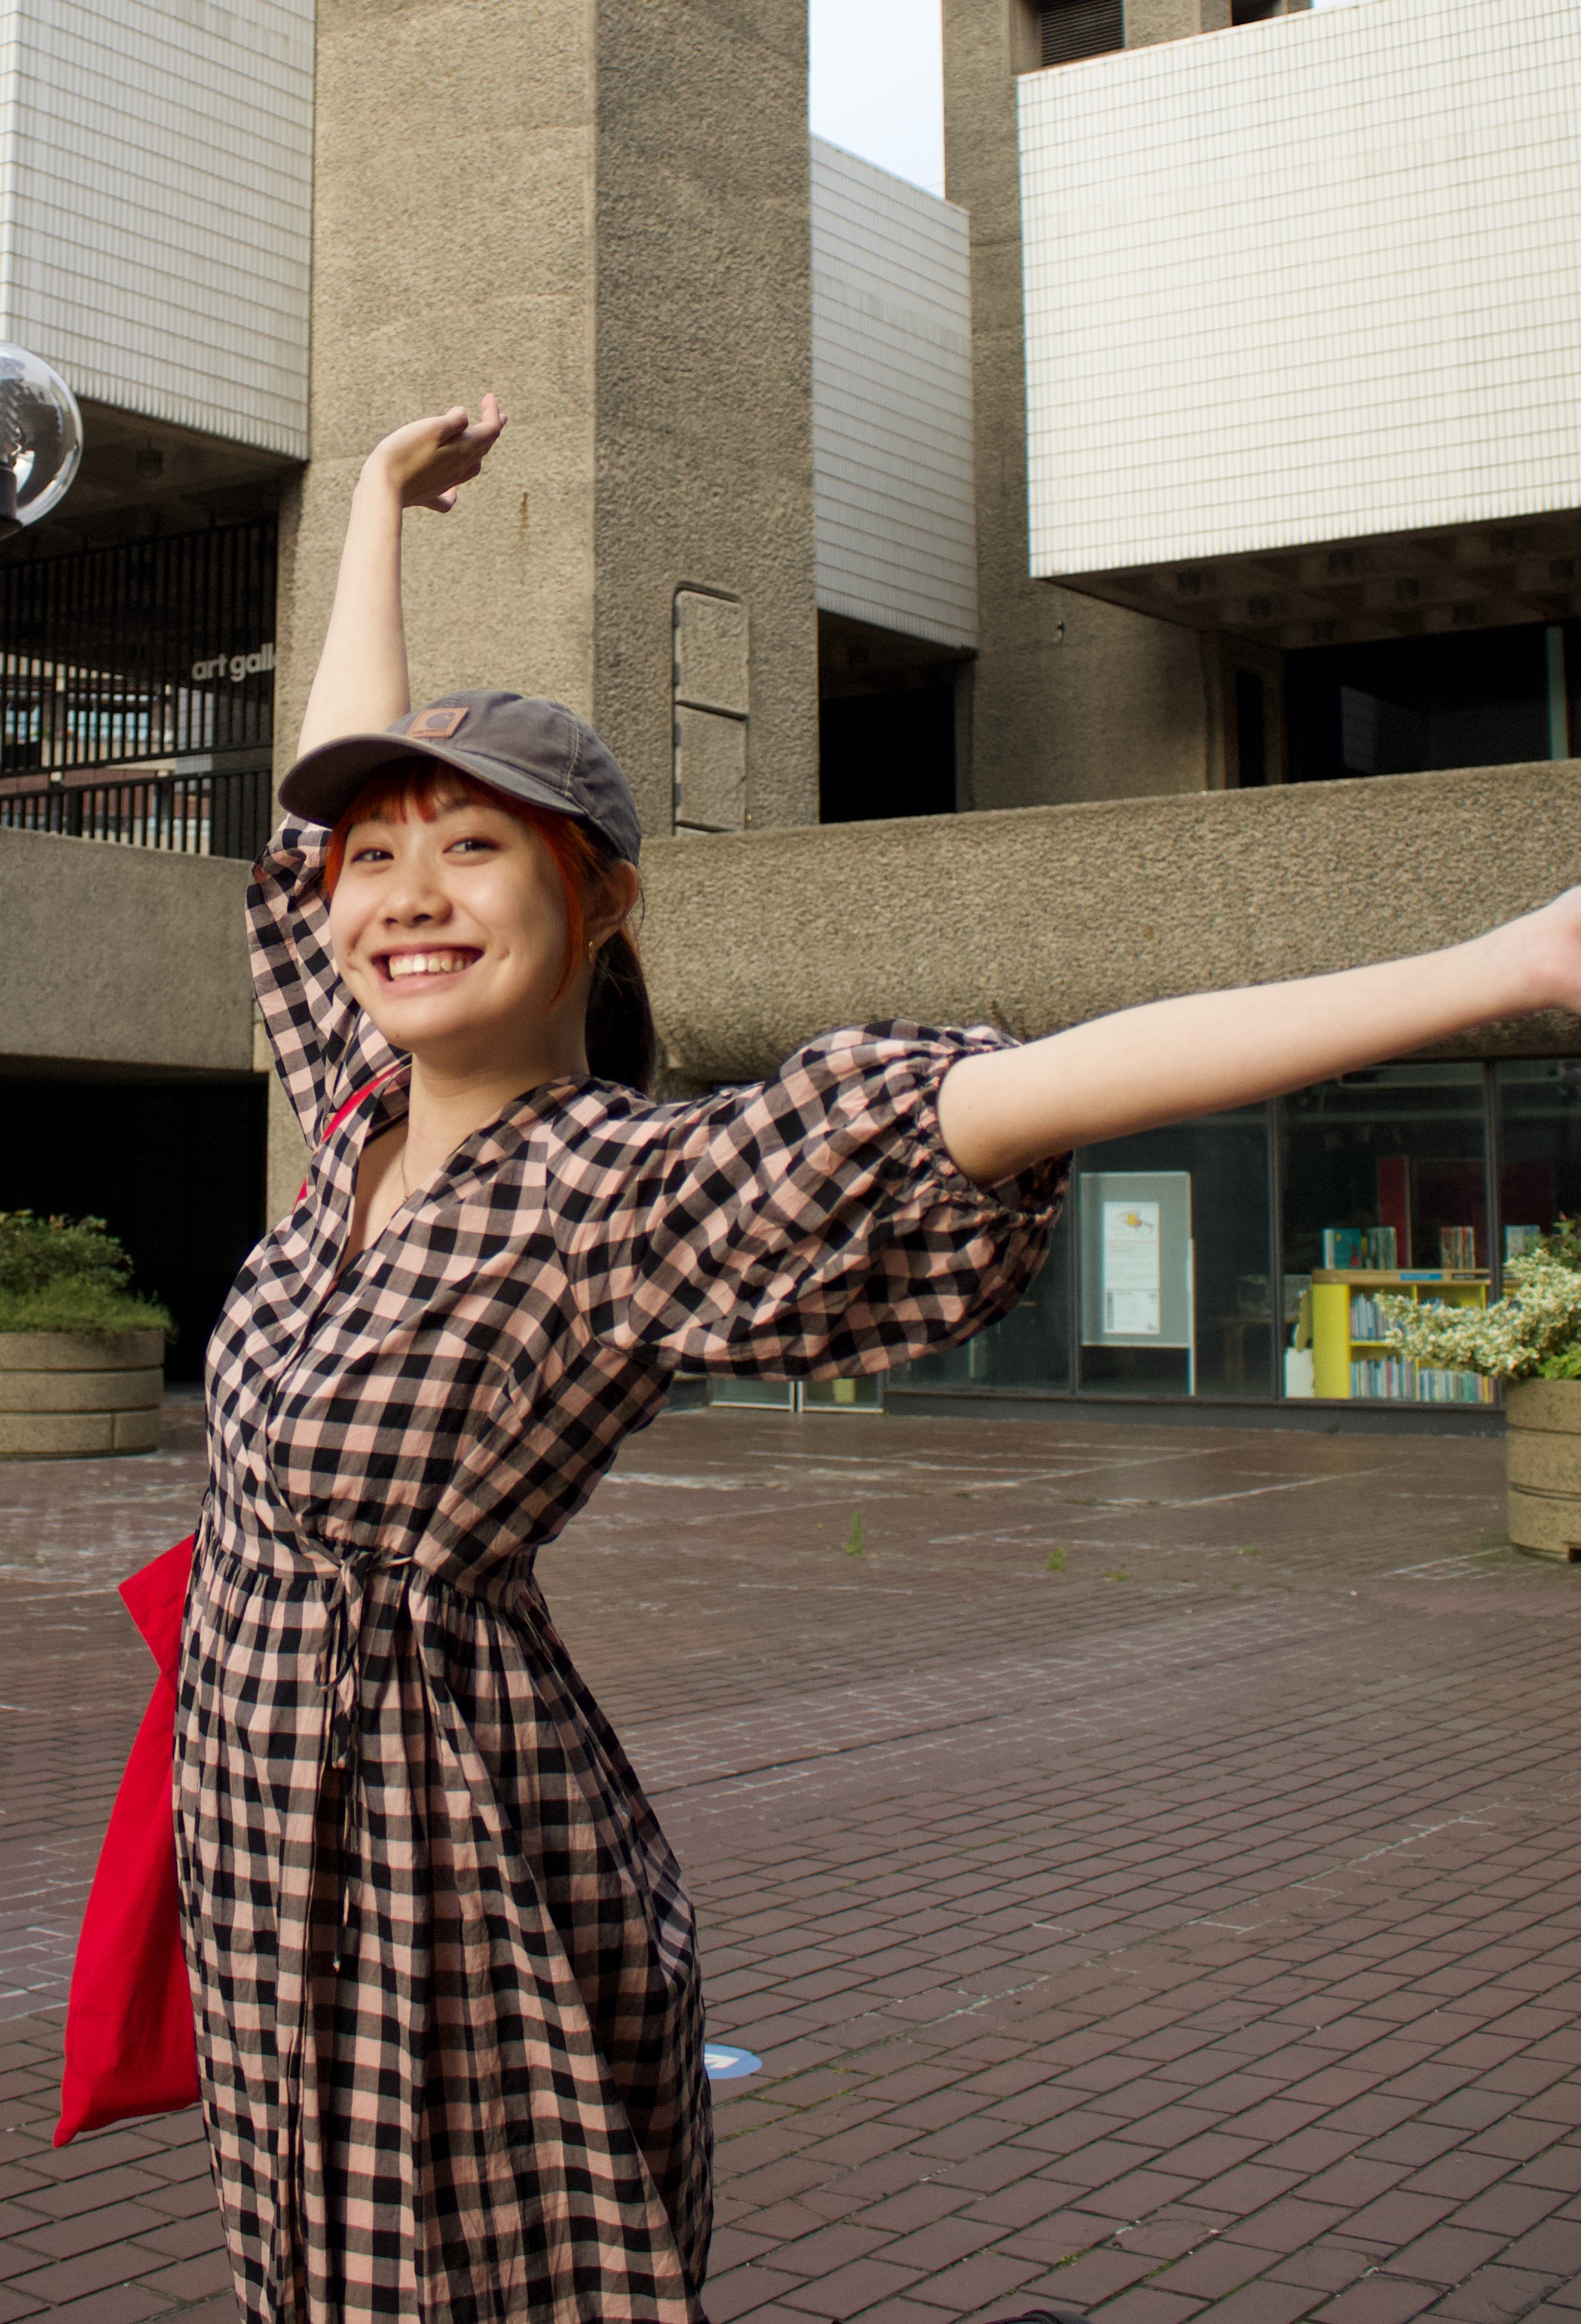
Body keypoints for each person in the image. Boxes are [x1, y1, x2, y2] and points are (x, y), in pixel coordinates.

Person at [178, 397, 1581, 2324]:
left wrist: (1514, 966)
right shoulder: (353, 1114)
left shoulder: (613, 1191)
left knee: (450, 2278)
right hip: (258, 1834)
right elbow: (301, 829)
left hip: (431, 1849)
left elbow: (1004, 1097)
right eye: (374, 857)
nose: (399, 890)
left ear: (593, 899)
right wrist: (372, 512)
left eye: (472, 846)